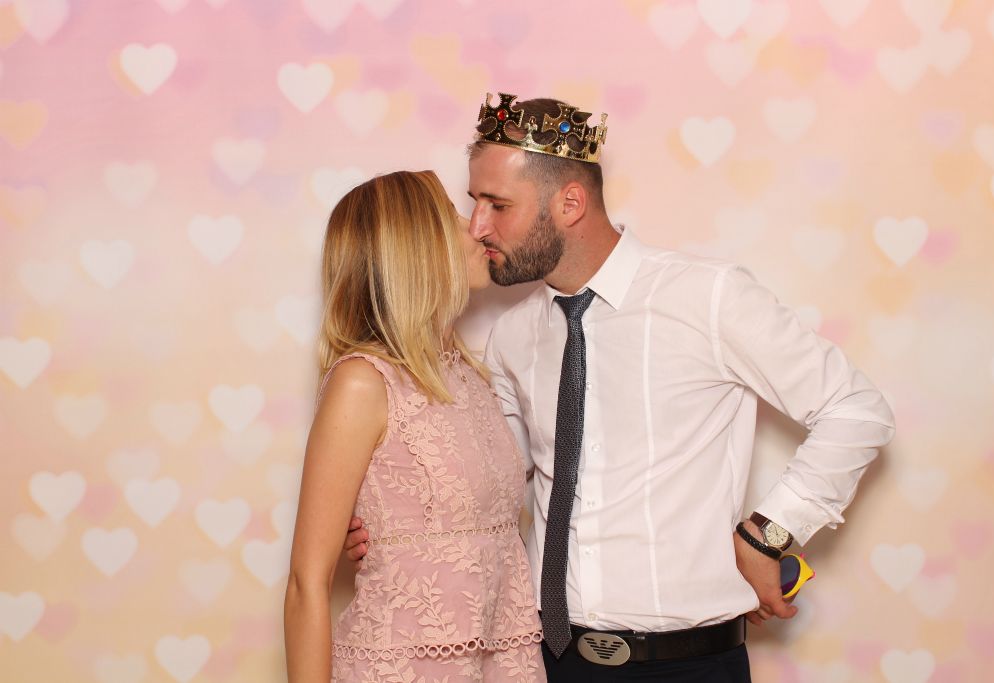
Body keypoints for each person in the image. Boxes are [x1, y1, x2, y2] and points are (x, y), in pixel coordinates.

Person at [346, 95, 896, 682]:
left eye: (497, 204)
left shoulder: (708, 297)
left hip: (690, 667)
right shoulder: (512, 336)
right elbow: (495, 478)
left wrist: (770, 535)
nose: (478, 227)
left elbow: (856, 410)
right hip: (545, 661)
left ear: (570, 203)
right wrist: (401, 524)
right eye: (474, 202)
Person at [284, 170, 544, 683]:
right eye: (456, 218)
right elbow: (305, 584)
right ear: (418, 247)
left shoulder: (468, 374)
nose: (478, 228)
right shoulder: (363, 382)